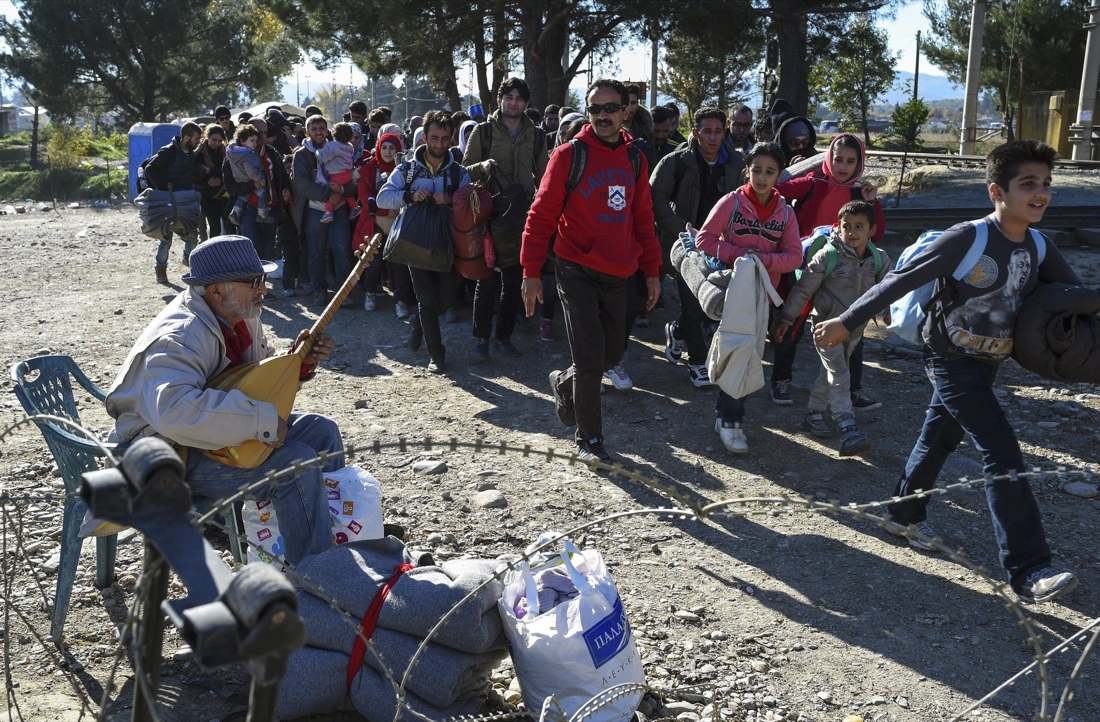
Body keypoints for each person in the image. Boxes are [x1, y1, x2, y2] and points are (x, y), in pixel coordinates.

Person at [814, 140, 1082, 605]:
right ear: (997, 190)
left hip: (989, 362)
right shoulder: (968, 238)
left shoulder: (1039, 245)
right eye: (1028, 184)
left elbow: (1074, 295)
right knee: (1002, 452)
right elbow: (902, 279)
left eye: (1046, 184)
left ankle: (901, 514)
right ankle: (1029, 568)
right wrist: (846, 321)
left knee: (939, 436)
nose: (1041, 193)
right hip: (950, 360)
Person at [105, 235, 345, 565]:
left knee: (322, 431)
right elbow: (174, 411)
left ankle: (339, 532)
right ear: (217, 290)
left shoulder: (241, 312)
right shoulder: (182, 335)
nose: (263, 289)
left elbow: (253, 380)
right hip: (171, 454)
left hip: (210, 439)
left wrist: (298, 365)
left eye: (262, 279)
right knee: (293, 465)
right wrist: (259, 421)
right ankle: (319, 575)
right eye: (253, 282)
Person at [520, 78, 661, 464]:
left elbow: (643, 218)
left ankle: (563, 384)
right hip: (575, 267)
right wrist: (531, 271)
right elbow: (541, 214)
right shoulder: (569, 155)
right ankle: (590, 439)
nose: (601, 115)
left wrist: (652, 271)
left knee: (612, 353)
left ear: (625, 111)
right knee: (588, 357)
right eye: (594, 108)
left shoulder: (636, 158)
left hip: (620, 271)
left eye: (610, 108)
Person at [695, 142, 802, 454]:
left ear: (779, 175)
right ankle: (731, 421)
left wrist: (763, 261)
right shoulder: (731, 202)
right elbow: (704, 239)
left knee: (746, 354)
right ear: (747, 171)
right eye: (756, 170)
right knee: (738, 352)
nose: (762, 177)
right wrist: (741, 256)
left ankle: (724, 415)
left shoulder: (786, 213)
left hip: (762, 297)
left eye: (770, 172)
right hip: (732, 291)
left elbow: (794, 257)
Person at [770, 133, 887, 409]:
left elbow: (877, 234)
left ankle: (853, 390)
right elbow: (777, 190)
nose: (843, 166)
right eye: (838, 159)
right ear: (828, 159)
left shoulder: (860, 194)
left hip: (843, 273)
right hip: (805, 267)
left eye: (850, 161)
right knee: (793, 322)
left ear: (860, 163)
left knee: (851, 328)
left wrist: (873, 202)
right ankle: (781, 380)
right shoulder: (813, 183)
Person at [773, 201, 890, 456]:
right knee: (840, 374)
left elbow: (886, 288)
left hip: (855, 329)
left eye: (860, 226)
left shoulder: (878, 259)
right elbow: (803, 289)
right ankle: (846, 427)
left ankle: (813, 414)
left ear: (872, 230)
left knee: (833, 372)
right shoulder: (828, 255)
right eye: (847, 226)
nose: (852, 232)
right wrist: (787, 319)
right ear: (838, 227)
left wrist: (888, 311)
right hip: (825, 326)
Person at [651, 107, 744, 389]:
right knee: (692, 303)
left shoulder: (736, 163)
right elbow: (654, 194)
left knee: (709, 305)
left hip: (720, 245)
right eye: (707, 131)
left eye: (718, 131)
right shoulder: (676, 161)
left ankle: (676, 330)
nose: (713, 137)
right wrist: (679, 227)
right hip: (685, 244)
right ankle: (697, 362)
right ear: (695, 132)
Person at [378, 110, 471, 374]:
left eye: (444, 138)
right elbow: (383, 199)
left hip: (447, 244)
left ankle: (418, 325)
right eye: (434, 138)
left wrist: (452, 200)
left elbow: (470, 207)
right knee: (427, 301)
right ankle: (437, 355)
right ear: (424, 138)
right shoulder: (406, 169)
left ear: (452, 138)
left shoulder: (459, 173)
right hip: (414, 244)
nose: (439, 144)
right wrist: (409, 196)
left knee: (446, 299)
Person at [462, 77, 548, 363]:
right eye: (508, 96)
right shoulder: (483, 132)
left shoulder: (536, 135)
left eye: (519, 98)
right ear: (499, 100)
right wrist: (481, 166)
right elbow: (464, 172)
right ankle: (481, 340)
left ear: (526, 103)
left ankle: (504, 337)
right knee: (485, 280)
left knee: (513, 281)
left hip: (521, 216)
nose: (514, 102)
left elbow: (545, 175)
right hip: (489, 215)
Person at [291, 114, 358, 307]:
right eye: (314, 129)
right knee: (316, 253)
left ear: (327, 130)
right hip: (314, 209)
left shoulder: (340, 147)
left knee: (342, 251)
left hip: (339, 208)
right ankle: (319, 291)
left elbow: (351, 177)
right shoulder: (302, 155)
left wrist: (344, 191)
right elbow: (302, 184)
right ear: (307, 132)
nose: (319, 132)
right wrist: (329, 194)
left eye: (322, 128)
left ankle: (343, 293)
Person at [145, 121, 203, 283]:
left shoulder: (190, 153)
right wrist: (163, 184)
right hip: (168, 200)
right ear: (186, 137)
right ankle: (161, 271)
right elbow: (150, 169)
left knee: (192, 236)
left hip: (186, 201)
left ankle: (187, 260)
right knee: (166, 238)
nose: (198, 141)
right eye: (196, 138)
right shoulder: (169, 151)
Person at [356, 132, 407, 312]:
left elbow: (408, 191)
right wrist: (386, 206)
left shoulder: (404, 168)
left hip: (397, 224)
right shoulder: (369, 168)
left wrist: (399, 205)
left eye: (392, 147)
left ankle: (400, 301)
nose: (387, 151)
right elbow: (364, 193)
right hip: (375, 222)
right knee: (373, 263)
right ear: (378, 148)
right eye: (384, 147)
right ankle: (370, 293)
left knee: (399, 265)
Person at [314, 121, 362, 224]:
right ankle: (355, 207)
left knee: (331, 191)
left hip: (337, 174)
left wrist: (318, 152)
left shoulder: (333, 146)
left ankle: (328, 212)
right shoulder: (349, 146)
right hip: (347, 173)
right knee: (345, 193)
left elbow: (324, 156)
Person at [226, 124, 273, 227]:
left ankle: (235, 211)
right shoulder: (248, 155)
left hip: (239, 179)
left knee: (244, 196)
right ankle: (262, 213)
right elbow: (252, 171)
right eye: (252, 140)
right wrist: (261, 180)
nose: (255, 143)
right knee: (262, 193)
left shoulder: (233, 153)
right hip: (251, 179)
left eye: (255, 140)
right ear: (243, 141)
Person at [193, 123, 227, 243]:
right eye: (214, 140)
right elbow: (193, 178)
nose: (216, 143)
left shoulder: (224, 152)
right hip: (207, 197)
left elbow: (226, 171)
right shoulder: (199, 154)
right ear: (207, 137)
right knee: (214, 227)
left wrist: (211, 171)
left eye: (219, 140)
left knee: (228, 227)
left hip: (224, 195)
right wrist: (208, 183)